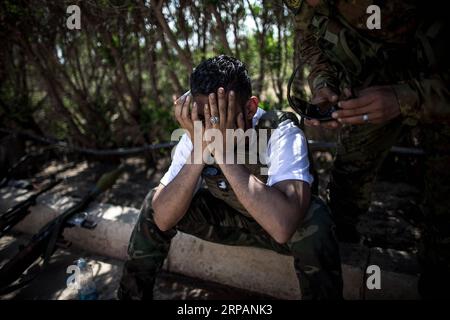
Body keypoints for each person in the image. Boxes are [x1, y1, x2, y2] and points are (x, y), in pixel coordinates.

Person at [117, 55, 343, 300]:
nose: (214, 126)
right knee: (157, 199)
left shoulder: (281, 132)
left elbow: (283, 227)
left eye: (223, 114)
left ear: (250, 108)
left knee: (315, 217)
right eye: (206, 118)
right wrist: (200, 151)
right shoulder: (197, 131)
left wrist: (222, 152)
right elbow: (161, 218)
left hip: (282, 233)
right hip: (231, 222)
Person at [283, 0, 450, 298]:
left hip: (438, 88)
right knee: (345, 190)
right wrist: (325, 86)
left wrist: (406, 98)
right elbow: (311, 43)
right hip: (367, 93)